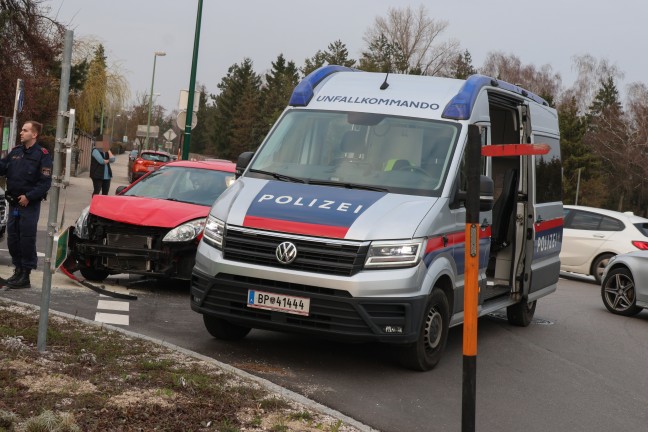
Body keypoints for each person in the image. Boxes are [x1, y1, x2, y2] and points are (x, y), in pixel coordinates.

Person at [0, 121, 53, 289]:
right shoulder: (15, 152)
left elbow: (45, 183)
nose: (21, 133)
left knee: (27, 239)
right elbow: (2, 168)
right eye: (21, 130)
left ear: (34, 134)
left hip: (28, 205)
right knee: (13, 239)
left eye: (25, 130)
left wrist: (29, 197)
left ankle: (26, 274)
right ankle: (18, 270)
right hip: (14, 202)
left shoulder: (42, 155)